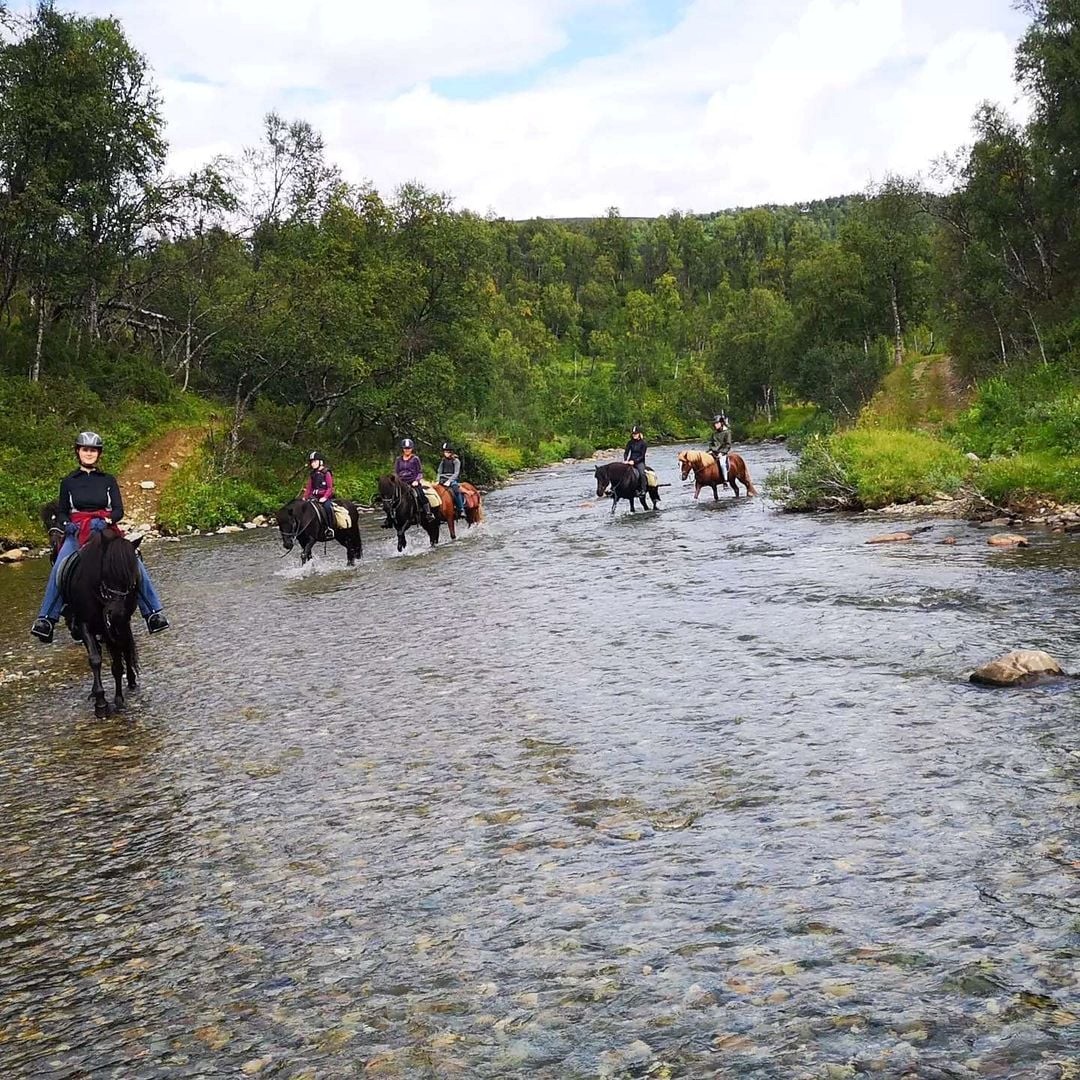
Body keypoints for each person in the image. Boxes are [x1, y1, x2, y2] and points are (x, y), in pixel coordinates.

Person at [31, 431, 169, 643]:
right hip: (78, 531)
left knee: (134, 560)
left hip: (104, 529)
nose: (89, 453)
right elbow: (62, 511)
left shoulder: (107, 480)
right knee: (60, 566)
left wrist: (105, 521)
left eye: (93, 450)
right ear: (78, 452)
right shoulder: (68, 481)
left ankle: (153, 613)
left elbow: (118, 510)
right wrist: (67, 524)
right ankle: (46, 619)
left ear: (98, 454)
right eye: (85, 449)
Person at [393, 438, 433, 523]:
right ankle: (390, 517)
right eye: (405, 448)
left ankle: (428, 513)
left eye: (408, 448)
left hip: (412, 481)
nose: (407, 450)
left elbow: (420, 472)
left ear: (412, 449)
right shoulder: (398, 459)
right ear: (403, 449)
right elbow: (396, 472)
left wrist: (417, 480)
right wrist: (396, 480)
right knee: (391, 496)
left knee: (420, 493)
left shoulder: (415, 459)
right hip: (401, 482)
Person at [300, 451, 335, 536]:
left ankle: (329, 528)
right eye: (311, 462)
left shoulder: (326, 473)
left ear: (320, 462)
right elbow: (309, 488)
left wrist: (325, 497)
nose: (312, 464)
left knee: (327, 507)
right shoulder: (312, 474)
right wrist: (305, 497)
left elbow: (330, 488)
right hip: (314, 497)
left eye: (314, 461)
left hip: (325, 497)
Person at [436, 442, 466, 519]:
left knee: (456, 489)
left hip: (452, 479)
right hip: (443, 479)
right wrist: (437, 480)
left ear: (451, 452)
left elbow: (456, 473)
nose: (445, 453)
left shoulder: (456, 461)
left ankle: (461, 508)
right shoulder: (443, 461)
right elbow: (439, 471)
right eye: (445, 452)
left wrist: (449, 481)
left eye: (447, 452)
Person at [623, 424, 648, 495]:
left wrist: (634, 461)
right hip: (630, 461)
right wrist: (625, 460)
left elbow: (642, 455)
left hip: (639, 462)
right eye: (633, 434)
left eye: (636, 434)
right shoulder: (630, 442)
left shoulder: (643, 443)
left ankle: (643, 489)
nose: (634, 435)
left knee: (642, 473)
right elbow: (626, 452)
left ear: (639, 434)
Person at [708, 413, 733, 482]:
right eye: (714, 424)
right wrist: (710, 450)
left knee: (722, 464)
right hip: (713, 452)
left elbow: (728, 445)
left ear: (721, 423)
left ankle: (725, 480)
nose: (715, 425)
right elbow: (711, 443)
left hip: (722, 452)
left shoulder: (727, 432)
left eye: (717, 423)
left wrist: (722, 453)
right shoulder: (714, 433)